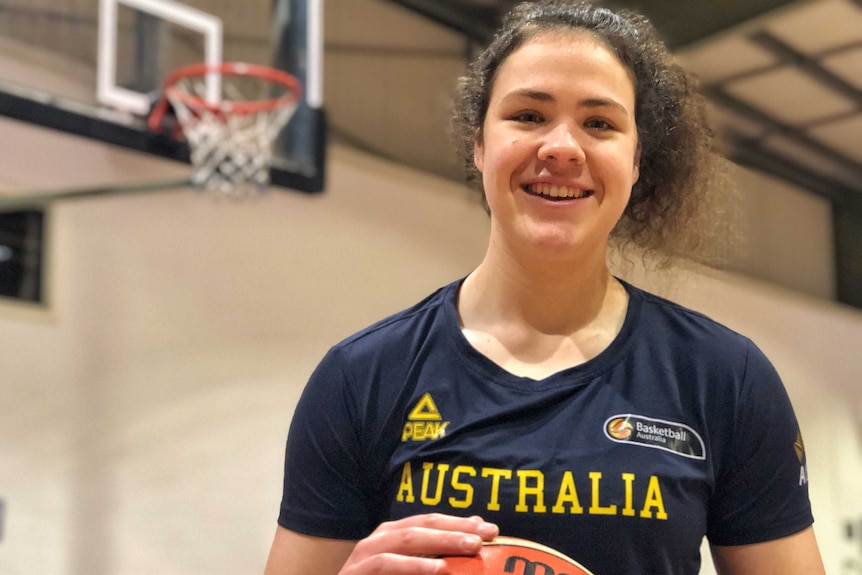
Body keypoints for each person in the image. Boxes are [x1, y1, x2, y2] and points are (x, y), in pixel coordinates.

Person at [264, 1, 826, 574]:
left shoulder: (725, 377)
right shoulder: (361, 376)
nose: (562, 148)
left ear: (636, 162)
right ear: (479, 145)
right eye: (529, 116)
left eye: (600, 123)